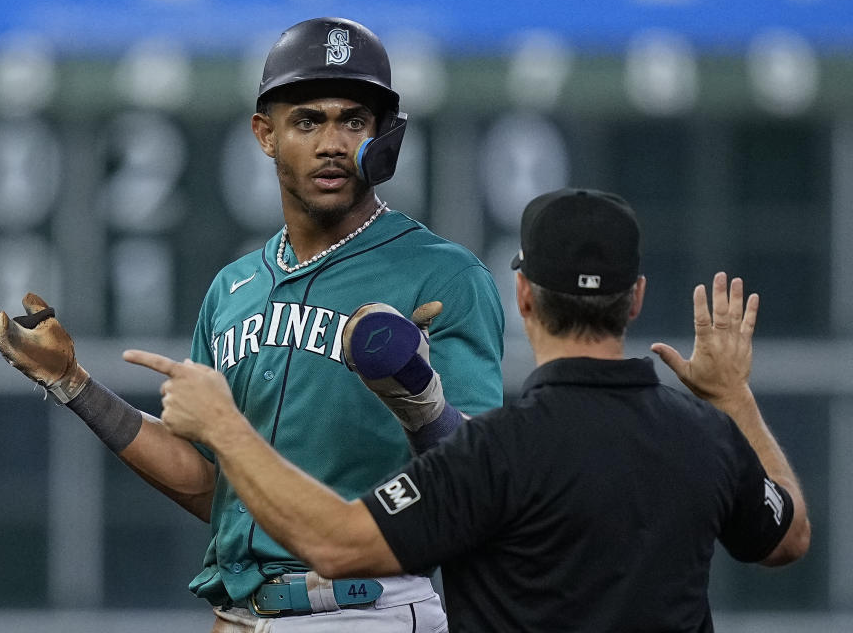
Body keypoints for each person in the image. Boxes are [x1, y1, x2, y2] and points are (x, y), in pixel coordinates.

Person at [0, 17, 504, 631]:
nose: (332, 142)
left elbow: (479, 490)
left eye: (353, 120)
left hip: (367, 609)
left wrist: (421, 397)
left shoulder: (441, 277)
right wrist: (75, 385)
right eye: (307, 120)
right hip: (240, 615)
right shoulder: (233, 288)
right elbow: (213, 487)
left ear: (383, 135)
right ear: (265, 133)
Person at [125, 188, 811, 632]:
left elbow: (335, 543)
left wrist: (224, 426)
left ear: (524, 297)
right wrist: (732, 397)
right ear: (634, 298)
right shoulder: (707, 439)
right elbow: (787, 538)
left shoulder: (492, 453)